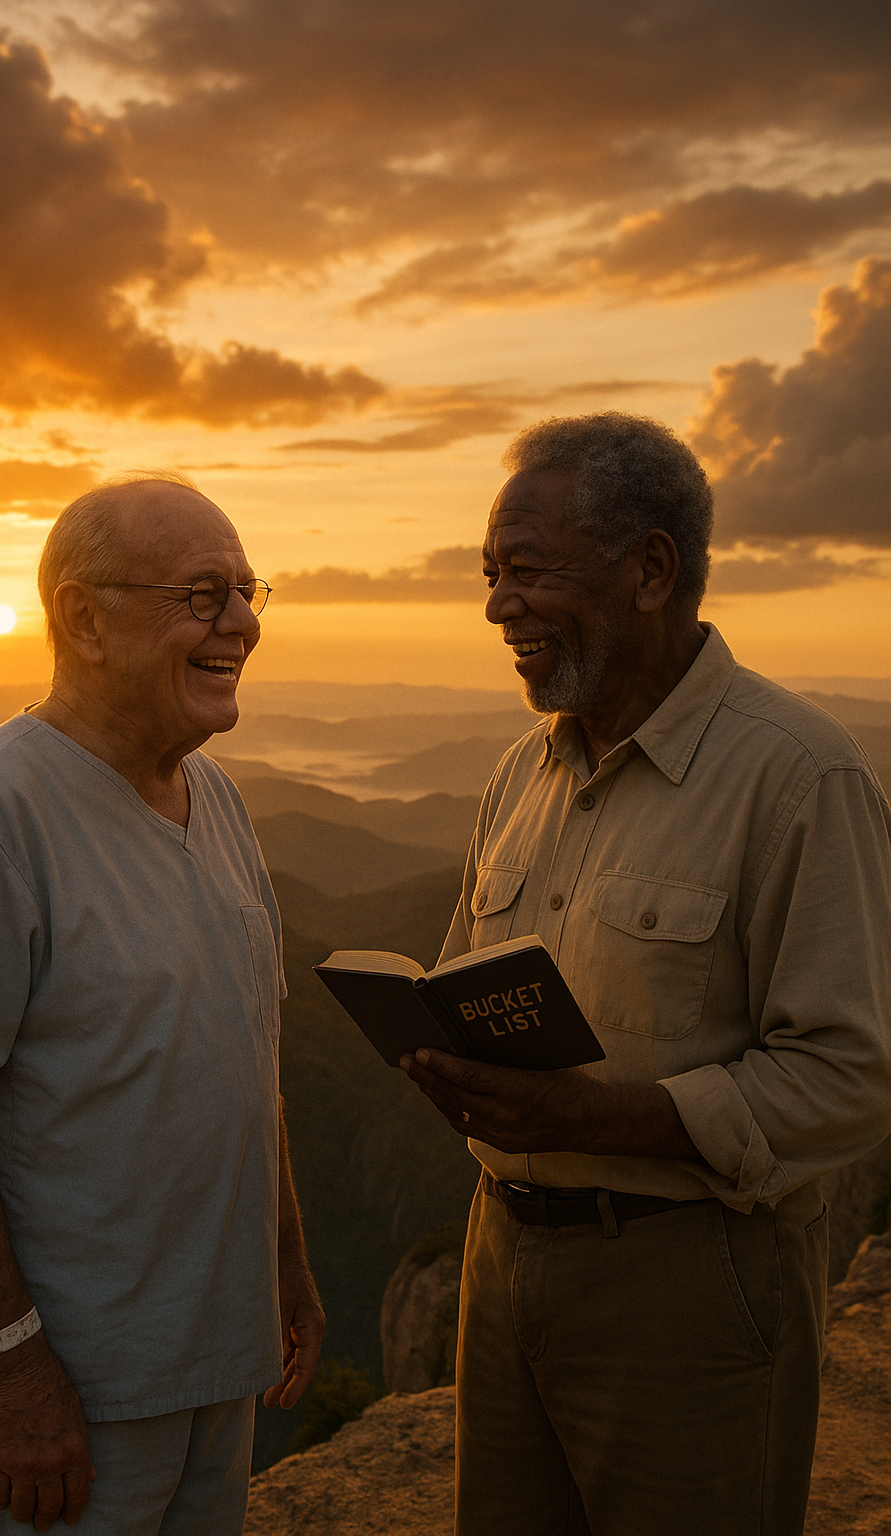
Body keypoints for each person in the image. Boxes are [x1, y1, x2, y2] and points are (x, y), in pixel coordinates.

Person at [401, 414, 891, 1536]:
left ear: (650, 571)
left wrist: (602, 1120)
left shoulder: (799, 775)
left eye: (527, 571)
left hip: (690, 1284)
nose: (497, 606)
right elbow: (461, 977)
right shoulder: (520, 772)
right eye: (489, 575)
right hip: (500, 1257)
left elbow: (852, 1077)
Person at [0, 474, 325, 1535]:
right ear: (83, 619)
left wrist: (284, 1267)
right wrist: (9, 1363)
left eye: (248, 590)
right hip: (69, 1396)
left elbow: (244, 1059)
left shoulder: (217, 799)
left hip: (214, 1365)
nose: (243, 622)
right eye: (202, 595)